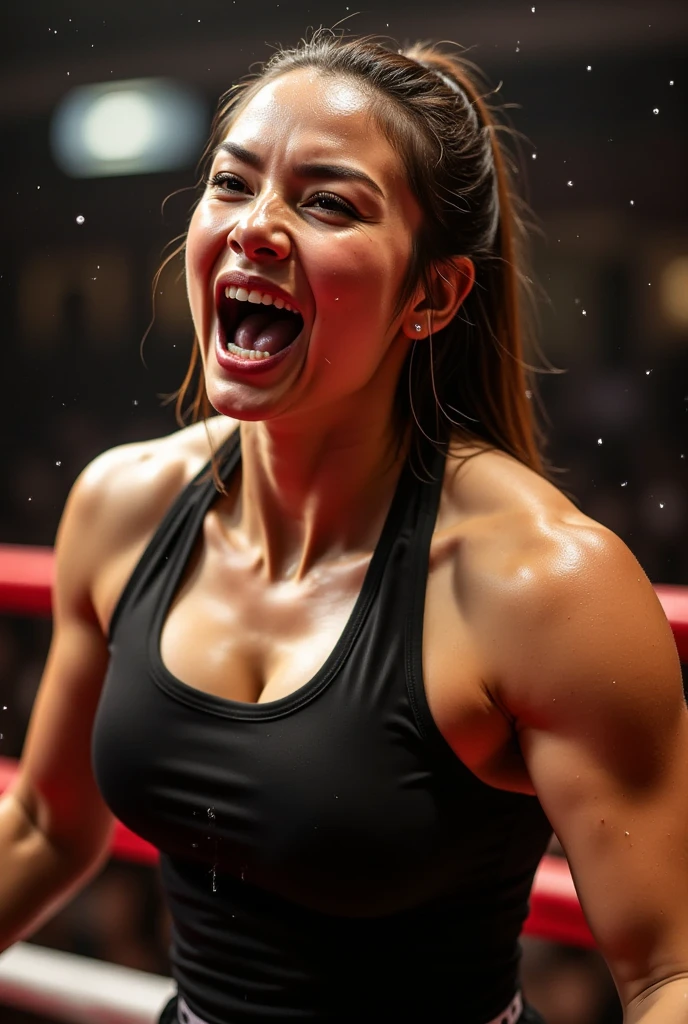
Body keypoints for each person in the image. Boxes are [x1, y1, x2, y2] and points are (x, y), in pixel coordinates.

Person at [1, 29, 686, 1024]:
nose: (258, 228)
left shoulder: (540, 581)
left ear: (433, 292)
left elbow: (670, 970)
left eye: (326, 202)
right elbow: (46, 823)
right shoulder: (123, 504)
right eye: (233, 184)